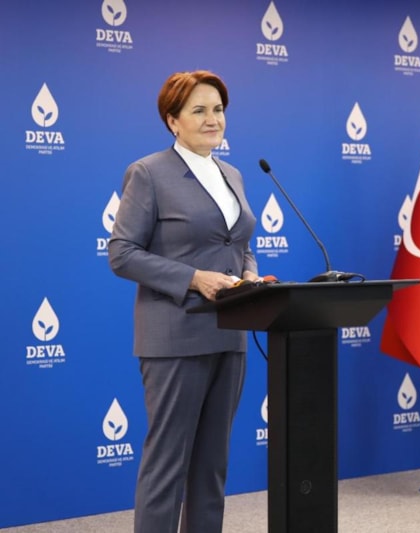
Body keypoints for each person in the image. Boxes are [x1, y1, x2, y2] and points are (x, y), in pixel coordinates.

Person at [108, 70, 260, 533]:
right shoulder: (149, 173)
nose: (213, 119)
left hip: (230, 333)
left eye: (218, 109)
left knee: (212, 466)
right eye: (199, 110)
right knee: (167, 465)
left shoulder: (231, 173)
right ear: (173, 121)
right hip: (175, 336)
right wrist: (194, 279)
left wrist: (249, 273)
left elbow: (237, 243)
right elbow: (122, 253)